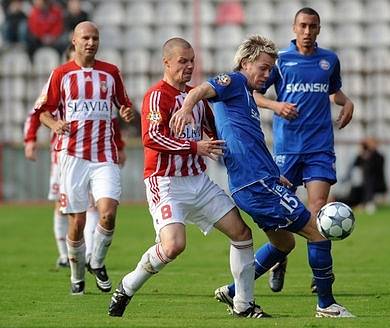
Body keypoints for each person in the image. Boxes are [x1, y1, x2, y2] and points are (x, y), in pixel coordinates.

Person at [170, 34, 354, 317]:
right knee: (318, 233)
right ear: (246, 63)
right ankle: (326, 305)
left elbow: (253, 142)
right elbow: (202, 90)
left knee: (284, 243)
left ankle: (232, 291)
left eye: (271, 69)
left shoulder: (246, 97)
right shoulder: (233, 81)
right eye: (264, 68)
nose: (268, 75)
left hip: (259, 182)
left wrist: (275, 174)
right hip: (255, 185)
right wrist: (185, 107)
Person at [108, 37, 268, 319]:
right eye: (183, 61)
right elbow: (152, 137)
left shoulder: (196, 97)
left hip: (198, 182)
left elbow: (215, 132)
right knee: (173, 246)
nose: (189, 66)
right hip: (165, 182)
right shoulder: (157, 96)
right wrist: (196, 146)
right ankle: (127, 286)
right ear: (166, 62)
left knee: (242, 234)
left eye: (192, 60)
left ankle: (244, 304)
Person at [252, 7, 354, 293]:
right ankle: (279, 259)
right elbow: (255, 93)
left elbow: (334, 92)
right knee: (283, 210)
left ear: (319, 29)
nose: (307, 32)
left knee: (319, 209)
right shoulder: (281, 61)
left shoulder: (329, 60)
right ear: (294, 28)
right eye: (303, 26)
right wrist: (276, 106)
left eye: (313, 26)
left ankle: (319, 273)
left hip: (320, 147)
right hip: (288, 148)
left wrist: (348, 103)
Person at [37, 21, 135, 295]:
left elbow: (124, 106)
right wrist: (55, 125)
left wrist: (127, 114)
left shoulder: (111, 72)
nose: (91, 42)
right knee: (77, 222)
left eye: (95, 38)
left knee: (107, 214)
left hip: (104, 155)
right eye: (85, 38)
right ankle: (76, 275)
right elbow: (43, 111)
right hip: (74, 157)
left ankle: (97, 262)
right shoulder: (62, 74)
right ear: (74, 41)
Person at [24, 44, 127, 268]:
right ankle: (65, 254)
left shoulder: (104, 78)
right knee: (65, 208)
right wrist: (31, 139)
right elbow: (37, 112)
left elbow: (111, 117)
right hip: (64, 153)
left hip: (98, 153)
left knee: (93, 207)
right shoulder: (60, 78)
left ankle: (90, 254)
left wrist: (119, 144)